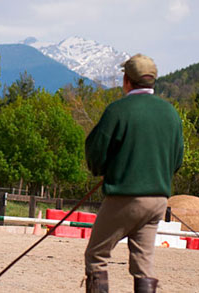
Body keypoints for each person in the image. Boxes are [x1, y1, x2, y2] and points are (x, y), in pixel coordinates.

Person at [83, 54, 184, 293]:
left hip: (125, 197)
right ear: (152, 81)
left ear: (127, 80)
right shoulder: (170, 113)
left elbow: (96, 150)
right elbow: (176, 160)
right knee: (143, 263)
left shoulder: (118, 110)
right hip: (158, 199)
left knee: (97, 255)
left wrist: (102, 170)